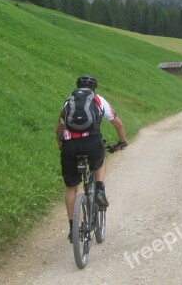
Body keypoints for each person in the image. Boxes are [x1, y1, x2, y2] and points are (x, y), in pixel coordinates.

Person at [56, 74, 127, 241]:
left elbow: (58, 130)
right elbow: (118, 124)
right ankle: (100, 189)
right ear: (94, 87)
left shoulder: (68, 102)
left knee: (71, 187)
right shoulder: (98, 100)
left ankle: (73, 229)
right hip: (92, 142)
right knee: (100, 160)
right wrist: (122, 141)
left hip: (70, 146)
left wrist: (63, 147)